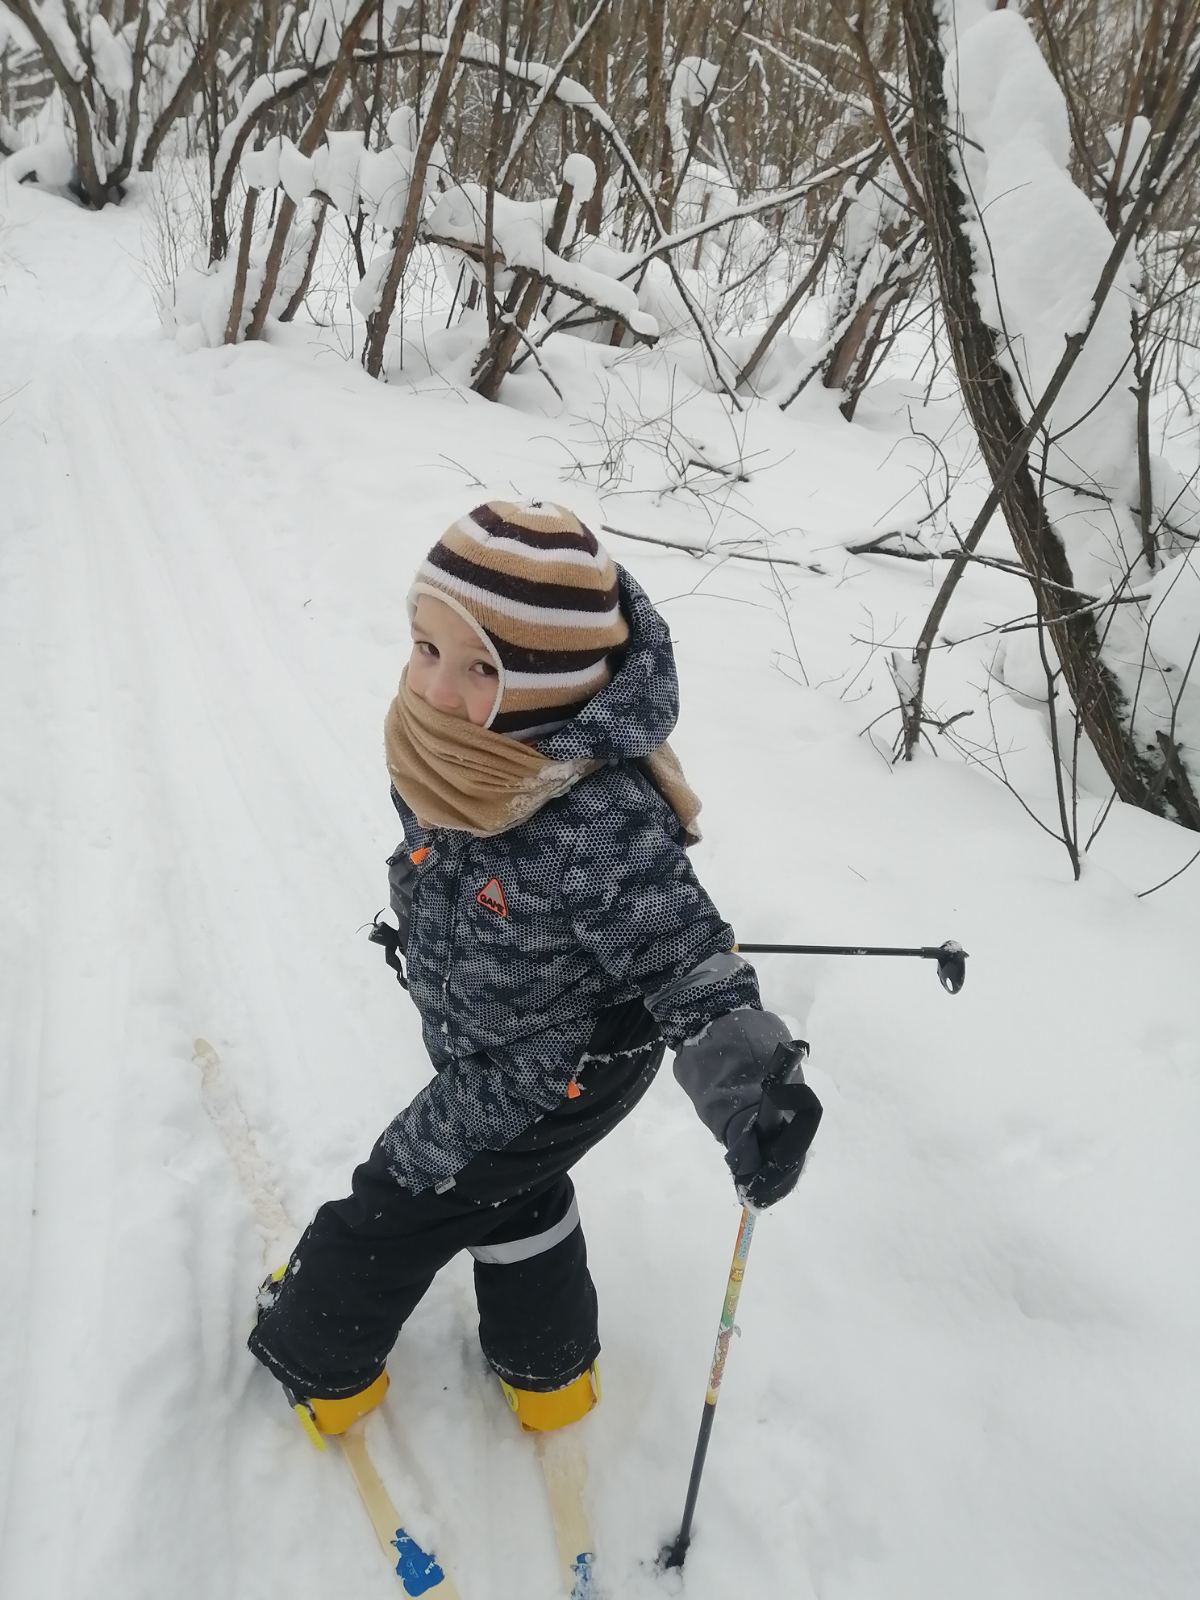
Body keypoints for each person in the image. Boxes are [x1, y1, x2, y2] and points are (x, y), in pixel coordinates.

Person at [248, 499, 820, 1439]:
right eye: (426, 648)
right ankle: (549, 1371)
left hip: (547, 1070)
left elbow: (687, 961)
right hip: (498, 1033)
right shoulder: (449, 745)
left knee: (400, 1199)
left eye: (481, 668)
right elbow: (460, 860)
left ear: (553, 686)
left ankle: (320, 1356)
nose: (436, 689)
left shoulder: (594, 818)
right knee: (515, 1188)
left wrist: (755, 1088)